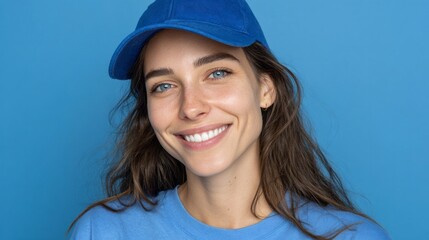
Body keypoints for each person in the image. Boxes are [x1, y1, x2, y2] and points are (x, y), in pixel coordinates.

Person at [69, 0, 391, 239]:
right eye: (163, 85)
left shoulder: (353, 237)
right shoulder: (102, 232)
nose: (191, 107)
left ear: (265, 88)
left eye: (217, 73)